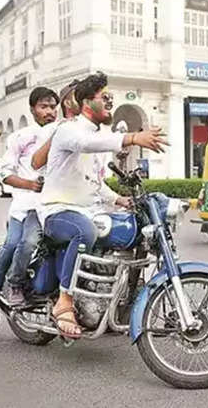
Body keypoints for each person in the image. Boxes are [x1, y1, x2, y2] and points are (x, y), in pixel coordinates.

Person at [38, 72, 167, 339]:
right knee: (84, 231)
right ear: (87, 102)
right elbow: (85, 144)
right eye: (105, 97)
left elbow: (94, 182)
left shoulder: (101, 135)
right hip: (57, 210)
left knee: (130, 231)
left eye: (111, 97)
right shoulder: (68, 130)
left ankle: (118, 299)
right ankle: (64, 301)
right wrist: (132, 137)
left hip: (89, 210)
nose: (110, 102)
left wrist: (120, 200)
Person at [0, 87, 60, 329]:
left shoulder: (61, 133)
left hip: (52, 206)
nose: (49, 111)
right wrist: (29, 184)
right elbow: (5, 173)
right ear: (33, 109)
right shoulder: (20, 137)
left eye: (52, 106)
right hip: (25, 206)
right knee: (18, 243)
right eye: (44, 106)